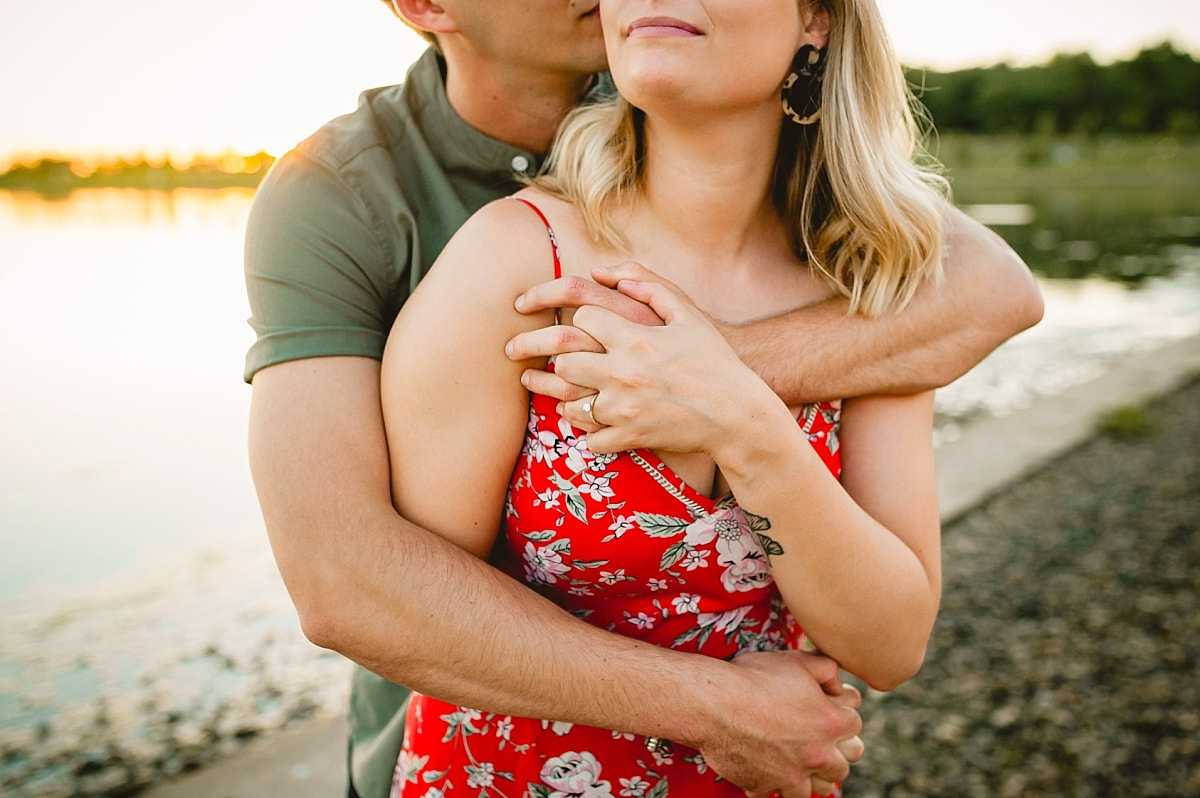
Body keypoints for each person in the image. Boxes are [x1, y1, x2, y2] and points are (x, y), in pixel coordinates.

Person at [242, 2, 1043, 797]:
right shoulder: (498, 254)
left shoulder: (865, 277)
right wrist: (716, 708)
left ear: (818, 20)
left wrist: (734, 408)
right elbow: (376, 588)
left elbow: (892, 645)